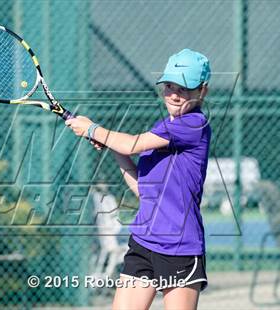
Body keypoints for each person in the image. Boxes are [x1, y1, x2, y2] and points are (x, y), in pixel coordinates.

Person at [66, 48, 212, 310]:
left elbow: (132, 144)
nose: (175, 95)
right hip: (143, 242)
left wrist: (92, 129)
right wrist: (109, 144)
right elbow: (143, 190)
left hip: (179, 248)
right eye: (169, 86)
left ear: (203, 91)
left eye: (185, 88)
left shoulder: (193, 124)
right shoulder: (162, 127)